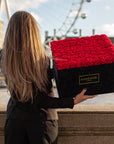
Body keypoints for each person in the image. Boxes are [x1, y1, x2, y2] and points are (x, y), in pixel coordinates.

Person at [1, 11, 96, 144]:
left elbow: (31, 98)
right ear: (33, 32)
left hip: (14, 122)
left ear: (10, 33)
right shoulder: (42, 60)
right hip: (41, 125)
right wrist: (72, 101)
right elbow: (40, 100)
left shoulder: (5, 58)